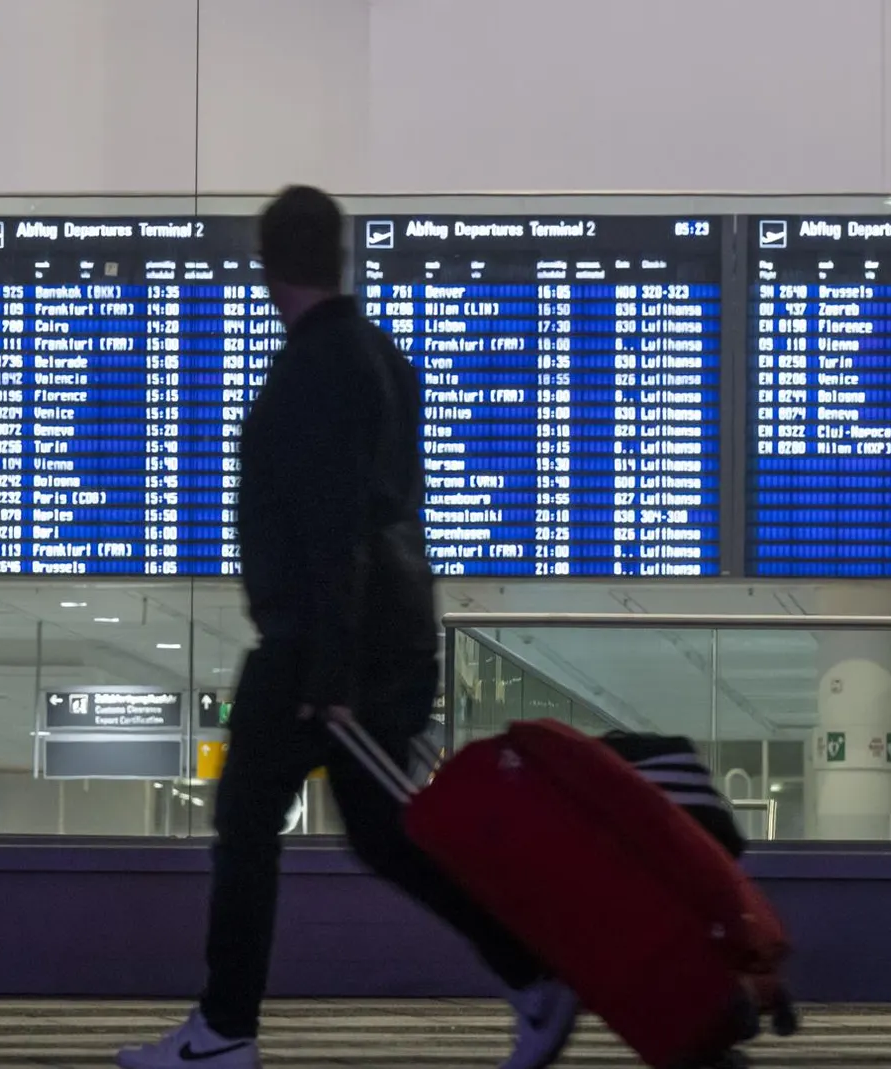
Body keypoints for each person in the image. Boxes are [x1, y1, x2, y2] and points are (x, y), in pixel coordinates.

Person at [116, 186, 579, 1069]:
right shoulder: (381, 357)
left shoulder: (313, 371)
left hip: (320, 647)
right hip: (388, 634)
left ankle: (225, 1029)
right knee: (383, 832)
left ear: (267, 268)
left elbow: (332, 528)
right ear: (339, 256)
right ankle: (531, 971)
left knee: (246, 817)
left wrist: (326, 673)